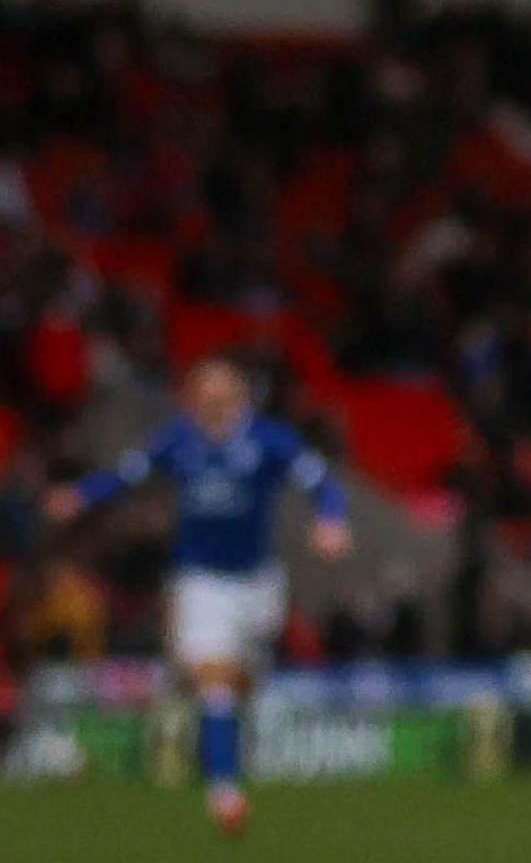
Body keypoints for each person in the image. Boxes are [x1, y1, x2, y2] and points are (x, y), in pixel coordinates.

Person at [45, 355, 349, 833]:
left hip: (256, 582)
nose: (207, 406)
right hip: (200, 580)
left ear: (238, 399)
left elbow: (320, 480)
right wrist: (80, 495)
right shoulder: (179, 440)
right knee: (216, 679)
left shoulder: (270, 440)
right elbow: (127, 474)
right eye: (200, 397)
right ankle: (224, 793)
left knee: (234, 683)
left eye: (217, 397)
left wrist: (331, 518)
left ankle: (160, 708)